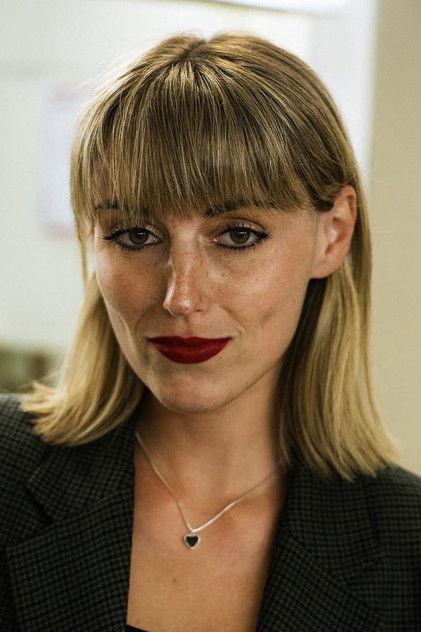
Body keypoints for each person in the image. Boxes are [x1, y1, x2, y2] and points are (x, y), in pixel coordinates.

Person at [0, 32, 420, 632]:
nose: (181, 297)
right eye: (135, 235)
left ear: (333, 234)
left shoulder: (406, 547)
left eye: (238, 235)